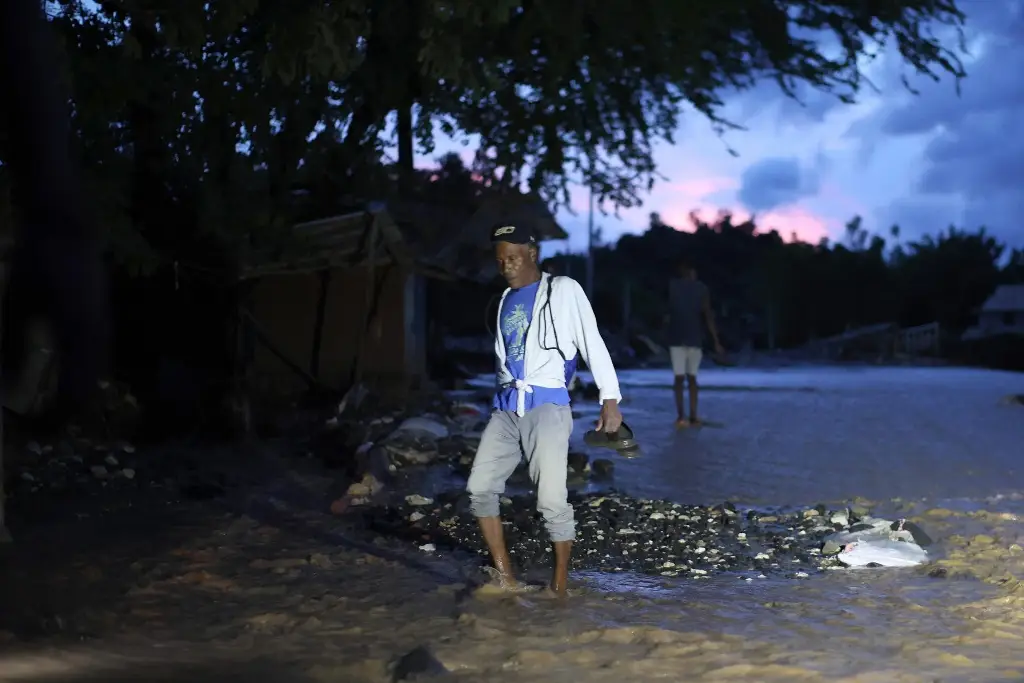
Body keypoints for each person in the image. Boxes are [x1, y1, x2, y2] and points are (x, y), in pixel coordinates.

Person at [467, 223, 622, 596]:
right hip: (506, 407)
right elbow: (507, 357)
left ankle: (559, 588)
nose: (507, 265)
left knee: (551, 500)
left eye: (514, 257)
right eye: (501, 259)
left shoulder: (563, 289)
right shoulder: (505, 299)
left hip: (548, 405)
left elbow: (591, 340)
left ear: (532, 254)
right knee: (479, 489)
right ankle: (505, 577)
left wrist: (610, 400)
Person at [667, 262, 722, 428]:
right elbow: (708, 315)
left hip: (682, 338)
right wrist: (716, 341)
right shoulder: (696, 288)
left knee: (682, 378)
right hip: (688, 339)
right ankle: (688, 415)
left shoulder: (678, 287)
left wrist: (715, 340)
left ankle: (685, 415)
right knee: (690, 378)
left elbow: (706, 314)